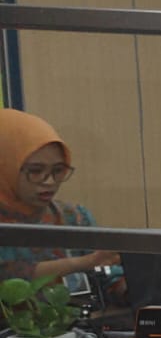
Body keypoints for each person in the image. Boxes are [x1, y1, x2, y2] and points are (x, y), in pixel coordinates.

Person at [0, 109, 119, 291]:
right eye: (36, 171)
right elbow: (8, 279)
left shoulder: (74, 217)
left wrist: (128, 287)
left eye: (58, 170)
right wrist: (81, 263)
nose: (50, 182)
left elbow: (106, 275)